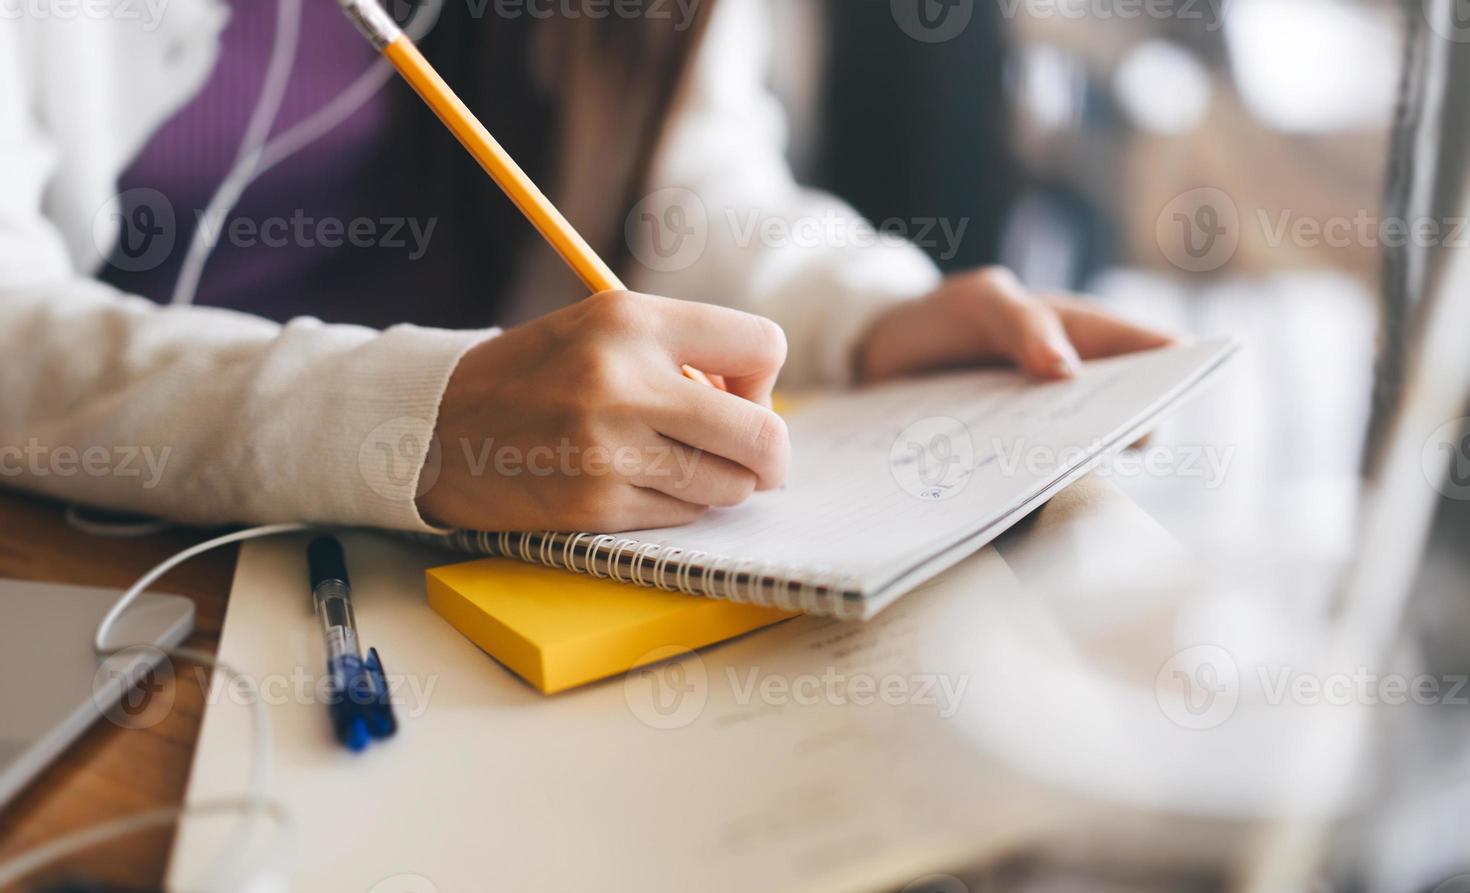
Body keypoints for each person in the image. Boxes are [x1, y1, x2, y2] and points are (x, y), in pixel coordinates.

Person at [0, 0, 1171, 535]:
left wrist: (869, 313)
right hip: (105, 553)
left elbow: (692, 181)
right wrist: (420, 421)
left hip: (473, 546)